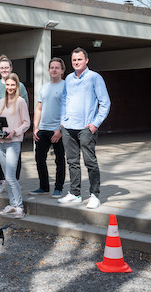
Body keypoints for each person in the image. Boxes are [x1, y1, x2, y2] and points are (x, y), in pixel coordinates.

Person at [58, 47, 111, 209]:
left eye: (79, 59)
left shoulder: (95, 78)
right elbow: (64, 100)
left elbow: (105, 102)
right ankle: (75, 193)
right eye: (74, 60)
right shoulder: (68, 78)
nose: (76, 62)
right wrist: (62, 120)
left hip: (86, 128)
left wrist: (95, 124)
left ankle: (95, 195)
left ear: (86, 60)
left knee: (90, 162)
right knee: (72, 161)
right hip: (68, 127)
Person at [0, 55, 29, 194]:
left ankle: (13, 182)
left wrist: (17, 129)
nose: (4, 70)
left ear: (11, 68)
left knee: (15, 160)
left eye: (6, 67)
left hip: (14, 129)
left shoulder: (20, 86)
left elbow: (24, 107)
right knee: (0, 159)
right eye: (1, 68)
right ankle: (3, 182)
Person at [0, 73, 30, 219]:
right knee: (5, 177)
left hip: (13, 143)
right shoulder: (0, 102)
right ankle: (12, 203)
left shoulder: (21, 102)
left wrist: (14, 132)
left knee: (10, 176)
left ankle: (19, 207)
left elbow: (26, 123)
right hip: (0, 143)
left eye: (12, 85)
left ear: (17, 86)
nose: (10, 87)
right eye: (7, 85)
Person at [30, 58, 66, 198]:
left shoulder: (65, 86)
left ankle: (58, 188)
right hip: (42, 129)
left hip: (58, 130)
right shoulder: (44, 87)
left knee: (59, 160)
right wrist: (35, 128)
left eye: (57, 67)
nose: (54, 70)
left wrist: (60, 129)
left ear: (62, 71)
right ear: (49, 70)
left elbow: (68, 109)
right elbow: (38, 108)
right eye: (52, 67)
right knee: (39, 159)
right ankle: (44, 186)